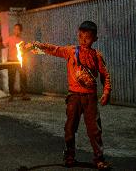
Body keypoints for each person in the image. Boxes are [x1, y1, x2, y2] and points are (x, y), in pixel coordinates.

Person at [27, 21, 111, 170]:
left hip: (90, 98)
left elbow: (105, 75)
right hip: (74, 97)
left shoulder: (96, 56)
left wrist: (106, 92)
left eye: (88, 37)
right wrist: (37, 46)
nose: (84, 39)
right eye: (81, 36)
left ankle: (99, 159)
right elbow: (54, 49)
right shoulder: (71, 51)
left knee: (94, 130)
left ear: (95, 38)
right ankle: (69, 156)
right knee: (70, 127)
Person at [1, 24, 31, 101]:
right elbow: (3, 46)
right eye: (15, 29)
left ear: (20, 31)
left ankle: (24, 94)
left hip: (20, 61)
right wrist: (0, 42)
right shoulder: (10, 39)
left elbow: (24, 51)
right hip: (11, 61)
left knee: (23, 77)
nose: (16, 30)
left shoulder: (22, 41)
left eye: (17, 29)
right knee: (11, 78)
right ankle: (11, 95)